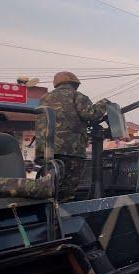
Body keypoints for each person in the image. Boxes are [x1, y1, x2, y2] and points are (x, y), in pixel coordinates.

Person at [34, 71, 110, 202]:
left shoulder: (44, 98)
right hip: (70, 151)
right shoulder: (77, 96)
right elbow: (91, 114)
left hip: (45, 151)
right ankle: (62, 217)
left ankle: (47, 214)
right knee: (66, 192)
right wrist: (105, 103)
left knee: (48, 187)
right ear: (74, 83)